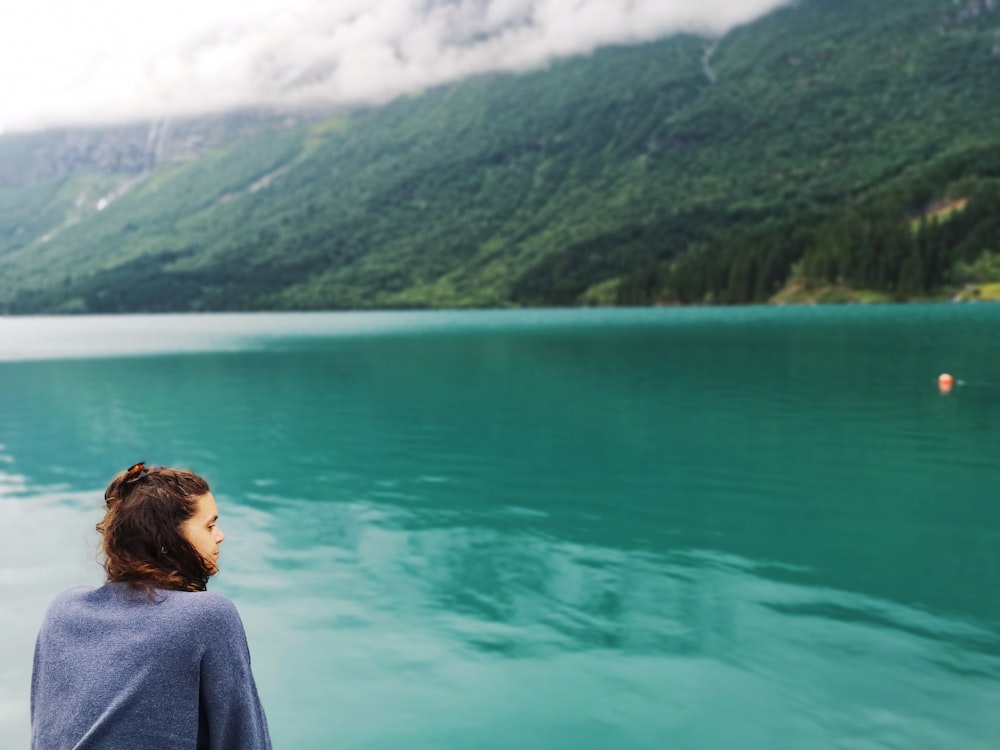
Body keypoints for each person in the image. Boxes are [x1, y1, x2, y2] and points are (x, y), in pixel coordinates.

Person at [30, 463, 272, 750]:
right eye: (209, 525)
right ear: (166, 540)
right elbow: (243, 740)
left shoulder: (62, 610)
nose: (220, 535)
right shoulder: (208, 615)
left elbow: (45, 736)